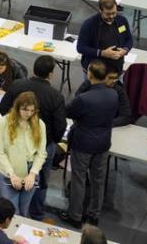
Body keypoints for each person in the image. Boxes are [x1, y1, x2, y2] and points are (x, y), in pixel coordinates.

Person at [0, 55, 67, 221]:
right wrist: (51, 141)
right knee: (40, 181)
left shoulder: (17, 85)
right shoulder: (55, 95)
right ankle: (36, 215)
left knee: (13, 183)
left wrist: (12, 128)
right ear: (51, 74)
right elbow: (60, 127)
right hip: (43, 146)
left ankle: (15, 219)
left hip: (15, 143)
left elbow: (2, 108)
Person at [61, 60, 119, 228]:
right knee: (98, 181)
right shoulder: (113, 94)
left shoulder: (84, 98)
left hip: (83, 143)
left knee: (79, 180)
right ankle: (94, 215)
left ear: (89, 75)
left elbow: (69, 111)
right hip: (103, 143)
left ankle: (75, 216)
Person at [0, 92, 47, 217]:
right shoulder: (4, 123)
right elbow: (0, 152)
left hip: (30, 173)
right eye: (25, 110)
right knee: (12, 212)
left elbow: (41, 153)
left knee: (23, 209)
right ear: (17, 107)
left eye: (32, 110)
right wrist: (11, 174)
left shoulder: (40, 125)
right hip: (8, 172)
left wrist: (32, 174)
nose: (28, 114)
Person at [76, 0, 133, 74]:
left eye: (114, 13)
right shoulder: (89, 24)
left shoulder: (122, 21)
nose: (112, 16)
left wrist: (125, 50)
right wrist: (102, 53)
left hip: (116, 70)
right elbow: (81, 47)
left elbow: (129, 39)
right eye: (108, 14)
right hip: (95, 73)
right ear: (100, 10)